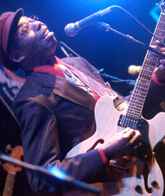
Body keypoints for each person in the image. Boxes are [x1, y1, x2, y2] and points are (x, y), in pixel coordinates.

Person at [0, 8, 164, 195]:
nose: (37, 24)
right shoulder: (33, 99)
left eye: (34, 19)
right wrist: (104, 153)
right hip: (115, 186)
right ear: (16, 55)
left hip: (148, 163)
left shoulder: (77, 63)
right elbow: (42, 178)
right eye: (25, 30)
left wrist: (157, 79)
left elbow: (125, 111)